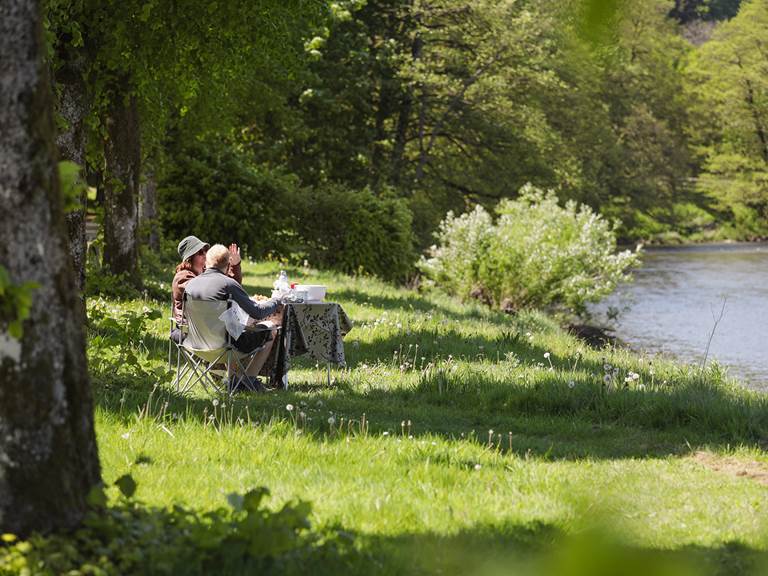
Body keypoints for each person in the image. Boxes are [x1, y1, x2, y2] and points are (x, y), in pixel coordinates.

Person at [184, 244, 282, 390]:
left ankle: (234, 379)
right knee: (271, 328)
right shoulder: (229, 284)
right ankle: (248, 380)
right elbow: (257, 312)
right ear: (228, 264)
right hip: (225, 346)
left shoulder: (191, 285)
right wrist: (277, 300)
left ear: (206, 262)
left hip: (196, 345)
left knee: (237, 328)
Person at [171, 235, 241, 342]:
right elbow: (206, 292)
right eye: (200, 252)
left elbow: (231, 286)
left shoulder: (205, 274)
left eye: (205, 251)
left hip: (209, 327)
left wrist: (235, 265)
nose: (205, 254)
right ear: (190, 258)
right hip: (191, 331)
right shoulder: (182, 277)